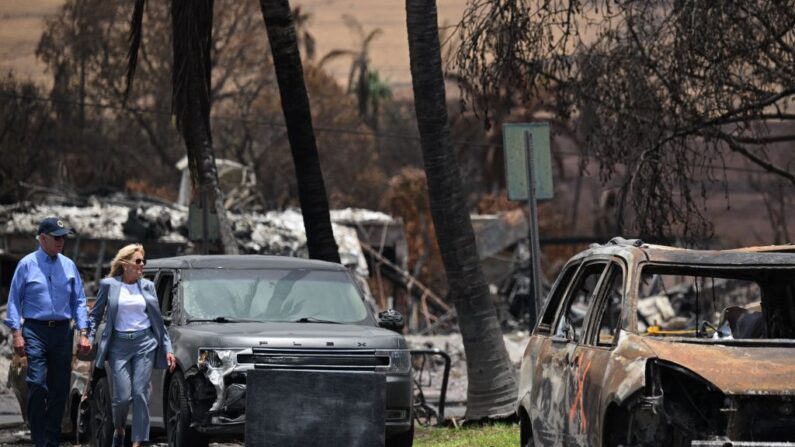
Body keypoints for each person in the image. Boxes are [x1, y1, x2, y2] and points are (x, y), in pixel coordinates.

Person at [4, 217, 91, 447]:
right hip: (35, 331)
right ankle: (39, 439)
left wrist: (83, 331)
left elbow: (79, 301)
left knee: (59, 390)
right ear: (42, 238)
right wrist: (16, 332)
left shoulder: (69, 265)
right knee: (36, 384)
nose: (61, 241)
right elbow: (13, 300)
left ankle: (51, 441)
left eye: (64, 237)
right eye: (57, 237)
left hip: (63, 332)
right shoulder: (26, 264)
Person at [88, 244, 176, 447]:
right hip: (118, 346)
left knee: (140, 393)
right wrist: (87, 336)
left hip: (144, 344)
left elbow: (158, 321)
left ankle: (138, 442)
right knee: (121, 398)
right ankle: (119, 429)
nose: (142, 265)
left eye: (143, 261)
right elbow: (95, 315)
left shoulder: (147, 286)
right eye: (138, 261)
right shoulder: (109, 285)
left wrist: (168, 348)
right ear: (124, 263)